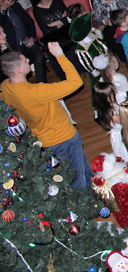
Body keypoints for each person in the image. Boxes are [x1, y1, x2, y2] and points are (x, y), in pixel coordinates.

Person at [0, 42, 91, 188]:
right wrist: (60, 55)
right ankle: (88, 200)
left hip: (45, 139)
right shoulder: (37, 92)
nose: (28, 60)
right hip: (63, 138)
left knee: (83, 170)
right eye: (24, 60)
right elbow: (76, 82)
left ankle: (97, 194)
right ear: (18, 70)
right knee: (77, 180)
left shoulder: (6, 86)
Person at [28, 0, 80, 72]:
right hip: (53, 36)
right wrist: (61, 21)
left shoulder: (57, 1)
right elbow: (45, 29)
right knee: (56, 49)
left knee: (72, 45)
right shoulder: (37, 10)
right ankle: (68, 73)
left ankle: (78, 70)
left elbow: (69, 17)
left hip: (66, 32)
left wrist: (54, 23)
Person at [0, 0, 49, 83]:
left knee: (39, 56)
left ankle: (41, 84)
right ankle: (23, 88)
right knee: (16, 68)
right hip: (11, 49)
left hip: (27, 43)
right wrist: (3, 9)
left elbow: (30, 22)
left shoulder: (15, 6)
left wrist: (31, 37)